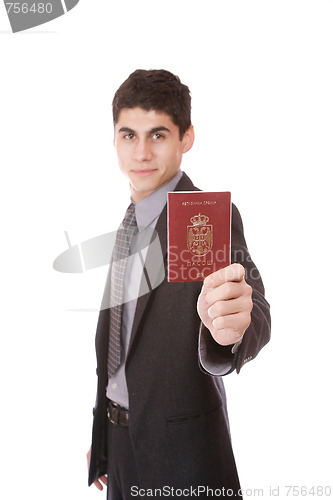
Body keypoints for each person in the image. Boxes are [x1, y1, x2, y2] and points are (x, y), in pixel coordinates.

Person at [86, 69, 271, 499]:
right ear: (114, 139)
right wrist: (103, 439)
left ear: (186, 138)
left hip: (183, 456)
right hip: (119, 446)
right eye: (129, 135)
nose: (142, 152)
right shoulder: (129, 222)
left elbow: (253, 306)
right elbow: (119, 339)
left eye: (158, 135)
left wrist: (232, 328)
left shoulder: (203, 217)